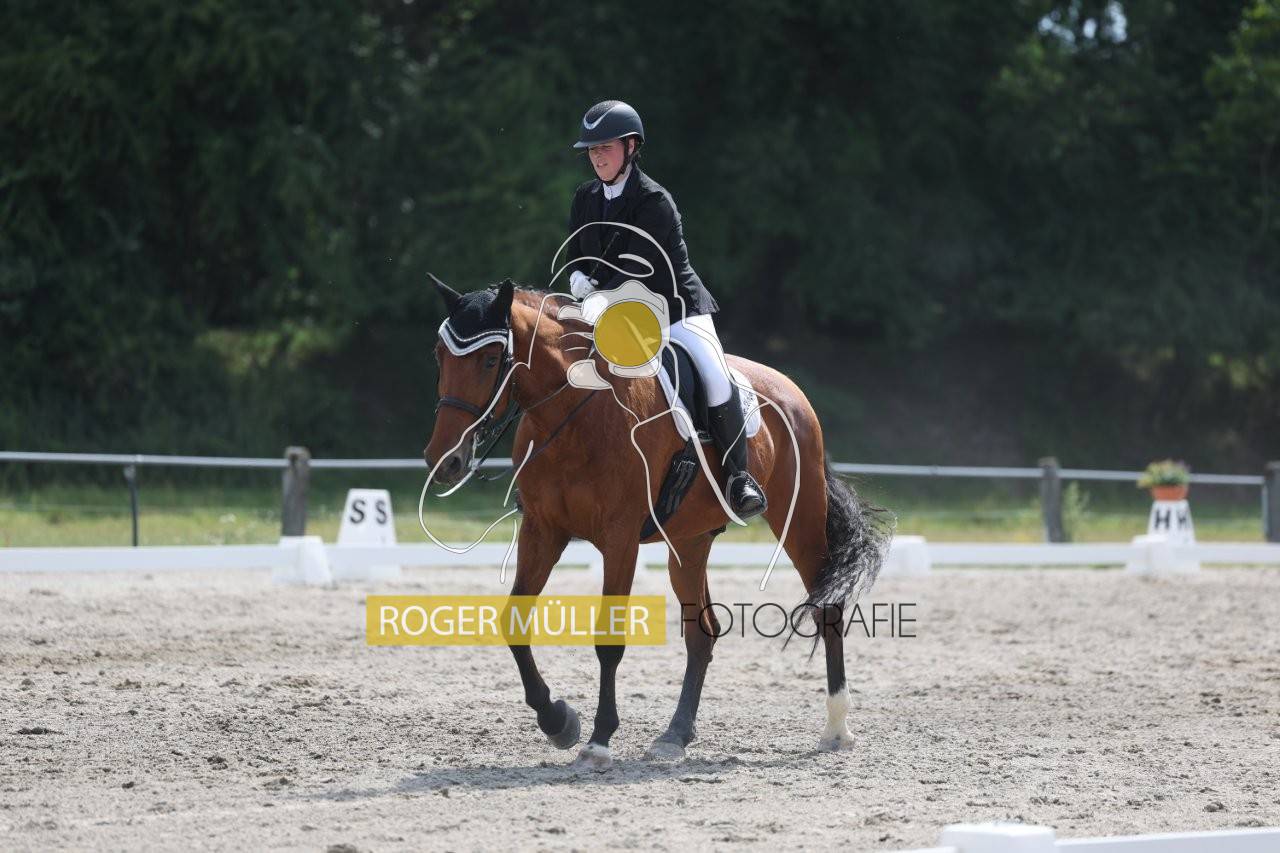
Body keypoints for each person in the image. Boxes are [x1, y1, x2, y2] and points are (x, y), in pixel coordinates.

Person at [564, 100, 767, 521]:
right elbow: (576, 250)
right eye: (592, 149)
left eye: (605, 147)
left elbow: (639, 269)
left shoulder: (654, 200)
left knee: (715, 376)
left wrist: (596, 289)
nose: (597, 157)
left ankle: (739, 477)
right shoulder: (585, 197)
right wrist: (577, 276)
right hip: (614, 314)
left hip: (673, 310)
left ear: (631, 146)